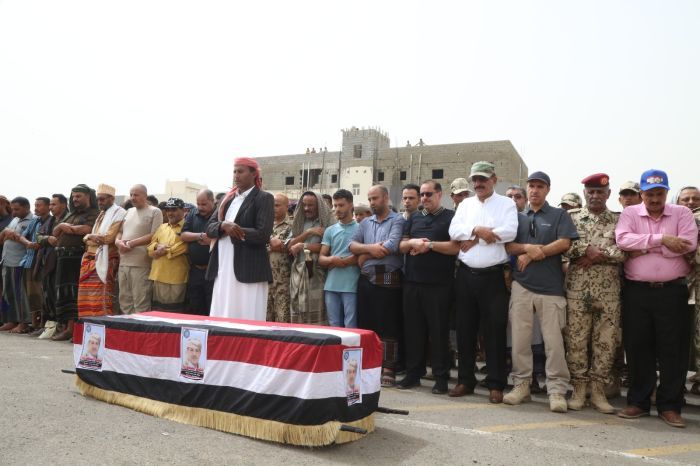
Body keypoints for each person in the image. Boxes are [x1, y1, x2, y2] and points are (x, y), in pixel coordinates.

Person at [615, 169, 697, 428]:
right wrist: (663, 240)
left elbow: (688, 244)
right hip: (637, 292)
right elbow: (623, 240)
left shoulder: (681, 213)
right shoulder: (630, 213)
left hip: (672, 292)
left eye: (659, 193)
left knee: (673, 350)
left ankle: (670, 406)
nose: (654, 199)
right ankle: (638, 402)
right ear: (641, 194)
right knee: (638, 347)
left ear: (666, 192)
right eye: (649, 194)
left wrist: (644, 247)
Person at [503, 171, 579, 413]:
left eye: (540, 186)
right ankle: (521, 385)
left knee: (554, 343)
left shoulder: (559, 215)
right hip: (522, 286)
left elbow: (565, 242)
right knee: (520, 341)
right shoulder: (516, 217)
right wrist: (527, 248)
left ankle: (556, 390)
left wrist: (538, 253)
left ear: (547, 190)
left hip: (550, 289)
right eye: (532, 186)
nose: (535, 190)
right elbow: (509, 246)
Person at [447, 162, 518, 402]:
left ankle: (496, 383)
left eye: (483, 179)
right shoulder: (465, 204)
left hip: (493, 277)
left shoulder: (506, 204)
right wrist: (478, 229)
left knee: (495, 331)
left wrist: (475, 237)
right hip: (466, 276)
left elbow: (509, 232)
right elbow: (454, 231)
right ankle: (465, 380)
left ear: (494, 180)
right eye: (475, 180)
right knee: (465, 330)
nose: (478, 183)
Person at [563, 174, 624, 414]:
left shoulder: (620, 219)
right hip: (578, 290)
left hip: (608, 292)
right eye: (591, 192)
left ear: (608, 194)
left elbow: (625, 250)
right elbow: (564, 245)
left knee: (606, 341)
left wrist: (598, 255)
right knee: (576, 340)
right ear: (585, 193)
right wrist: (585, 249)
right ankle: (579, 389)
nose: (595, 196)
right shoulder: (571, 218)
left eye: (600, 192)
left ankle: (598, 390)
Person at [397, 180, 460, 394]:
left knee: (438, 332)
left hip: (439, 285)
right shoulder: (414, 217)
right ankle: (414, 374)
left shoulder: (451, 217)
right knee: (413, 331)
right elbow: (401, 246)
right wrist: (413, 243)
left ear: (439, 194)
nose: (424, 198)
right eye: (422, 194)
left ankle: (441, 377)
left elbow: (455, 248)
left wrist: (429, 246)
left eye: (429, 194)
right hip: (412, 283)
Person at [349, 184, 405, 386]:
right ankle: (369, 366)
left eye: (375, 198)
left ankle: (388, 368)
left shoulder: (398, 219)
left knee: (388, 324)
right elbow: (351, 245)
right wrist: (370, 248)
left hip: (388, 278)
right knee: (367, 324)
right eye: (370, 199)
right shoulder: (365, 222)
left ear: (386, 198)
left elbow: (392, 245)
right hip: (366, 280)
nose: (372, 203)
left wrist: (365, 254)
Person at [206, 157, 274, 320]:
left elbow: (263, 233)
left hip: (249, 267)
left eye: (240, 171)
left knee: (247, 315)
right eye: (234, 171)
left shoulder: (263, 198)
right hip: (223, 265)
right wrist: (223, 226)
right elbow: (209, 228)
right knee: (223, 313)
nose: (236, 175)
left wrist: (235, 230)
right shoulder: (227, 200)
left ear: (254, 174)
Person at [51, 185, 100, 341]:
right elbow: (55, 232)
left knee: (75, 294)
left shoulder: (94, 213)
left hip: (78, 258)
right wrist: (62, 226)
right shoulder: (71, 214)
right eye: (73, 196)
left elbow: (86, 230)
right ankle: (67, 328)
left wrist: (66, 228)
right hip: (63, 258)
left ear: (88, 196)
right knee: (64, 294)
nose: (75, 199)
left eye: (78, 196)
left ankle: (75, 330)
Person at [76, 184, 126, 318]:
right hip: (90, 259)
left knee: (101, 296)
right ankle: (90, 325)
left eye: (102, 199)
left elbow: (108, 238)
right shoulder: (102, 214)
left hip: (106, 259)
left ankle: (103, 324)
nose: (99, 202)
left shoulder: (119, 213)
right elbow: (90, 239)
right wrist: (91, 238)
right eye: (98, 199)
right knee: (87, 296)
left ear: (112, 199)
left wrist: (89, 237)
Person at [287, 191, 334, 324]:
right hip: (298, 273)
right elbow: (289, 245)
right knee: (298, 313)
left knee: (317, 313)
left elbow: (329, 247)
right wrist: (308, 232)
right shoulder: (299, 222)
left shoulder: (328, 223)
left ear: (319, 205)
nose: (307, 208)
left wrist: (304, 245)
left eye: (311, 205)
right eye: (304, 205)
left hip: (317, 273)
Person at [116, 184, 163, 314]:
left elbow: (154, 235)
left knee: (141, 303)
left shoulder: (155, 211)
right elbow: (120, 232)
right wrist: (118, 242)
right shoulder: (128, 212)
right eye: (131, 195)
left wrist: (131, 244)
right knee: (125, 302)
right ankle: (127, 326)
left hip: (141, 264)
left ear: (145, 196)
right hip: (124, 263)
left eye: (136, 195)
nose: (132, 198)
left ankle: (139, 328)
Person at [318, 189, 360, 328]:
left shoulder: (361, 228)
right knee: (334, 325)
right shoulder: (330, 230)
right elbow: (321, 259)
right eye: (335, 205)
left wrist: (342, 262)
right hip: (331, 285)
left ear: (351, 205)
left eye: (341, 205)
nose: (337, 209)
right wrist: (333, 260)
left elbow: (362, 256)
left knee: (351, 325)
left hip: (352, 285)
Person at [34, 194, 69, 339]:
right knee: (48, 295)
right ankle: (49, 326)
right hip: (48, 261)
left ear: (63, 205)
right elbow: (38, 237)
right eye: (50, 204)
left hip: (64, 261)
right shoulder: (51, 220)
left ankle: (62, 327)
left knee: (61, 296)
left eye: (54, 204)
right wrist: (48, 238)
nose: (51, 207)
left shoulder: (69, 218)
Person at [0, 197, 35, 333]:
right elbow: (3, 237)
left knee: (19, 295)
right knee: (7, 293)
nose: (13, 212)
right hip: (6, 260)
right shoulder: (14, 220)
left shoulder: (32, 221)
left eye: (17, 209)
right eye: (13, 209)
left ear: (26, 208)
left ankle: (23, 323)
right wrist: (6, 234)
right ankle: (10, 320)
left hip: (19, 262)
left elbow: (30, 241)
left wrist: (14, 236)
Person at [148, 198, 189, 311]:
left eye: (174, 210)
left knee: (174, 312)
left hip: (177, 277)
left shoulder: (187, 227)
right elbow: (150, 247)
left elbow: (185, 246)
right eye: (168, 210)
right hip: (158, 275)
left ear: (183, 210)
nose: (170, 213)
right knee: (158, 310)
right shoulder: (162, 227)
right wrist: (156, 247)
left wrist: (164, 250)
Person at [17, 197, 51, 333]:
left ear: (48, 207)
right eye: (35, 205)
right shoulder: (34, 221)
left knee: (41, 294)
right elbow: (21, 236)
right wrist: (28, 243)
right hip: (28, 262)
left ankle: (42, 325)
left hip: (42, 263)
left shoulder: (51, 221)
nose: (36, 208)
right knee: (31, 295)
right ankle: (35, 324)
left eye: (39, 205)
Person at [180, 189, 215, 315]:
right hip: (195, 271)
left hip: (213, 271)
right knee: (194, 307)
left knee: (212, 307)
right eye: (198, 204)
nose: (200, 207)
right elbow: (183, 235)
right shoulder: (192, 214)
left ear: (212, 201)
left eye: (204, 204)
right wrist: (200, 236)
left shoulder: (219, 215)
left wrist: (211, 241)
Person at [266, 193, 292, 322]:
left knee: (283, 318)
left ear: (286, 206)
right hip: (265, 279)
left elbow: (286, 246)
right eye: (271, 205)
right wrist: (272, 245)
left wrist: (268, 244)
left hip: (283, 280)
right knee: (265, 318)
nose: (273, 208)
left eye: (277, 205)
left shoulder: (292, 225)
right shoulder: (265, 224)